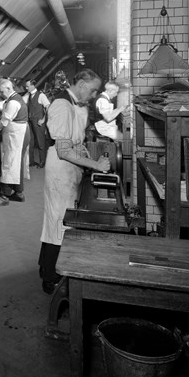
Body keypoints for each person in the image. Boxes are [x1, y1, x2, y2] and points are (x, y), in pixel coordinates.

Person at [39, 69, 110, 294]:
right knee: (59, 221)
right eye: (92, 90)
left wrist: (88, 159)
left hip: (72, 167)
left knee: (60, 219)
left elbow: (76, 141)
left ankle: (49, 269)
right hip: (61, 168)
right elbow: (64, 151)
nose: (94, 94)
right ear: (80, 83)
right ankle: (51, 276)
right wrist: (96, 166)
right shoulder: (61, 105)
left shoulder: (78, 104)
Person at [0, 78, 30, 207]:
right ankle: (19, 193)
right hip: (18, 133)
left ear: (8, 88)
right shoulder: (13, 98)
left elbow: (3, 123)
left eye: (1, 92)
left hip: (17, 135)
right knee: (15, 163)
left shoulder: (13, 102)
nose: (0, 95)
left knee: (9, 164)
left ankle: (3, 196)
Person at [23, 79, 50, 168]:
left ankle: (43, 162)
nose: (26, 88)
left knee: (40, 142)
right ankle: (31, 161)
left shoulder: (41, 95)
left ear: (32, 85)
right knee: (30, 142)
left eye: (27, 86)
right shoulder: (28, 95)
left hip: (38, 122)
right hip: (30, 122)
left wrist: (43, 119)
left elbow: (48, 107)